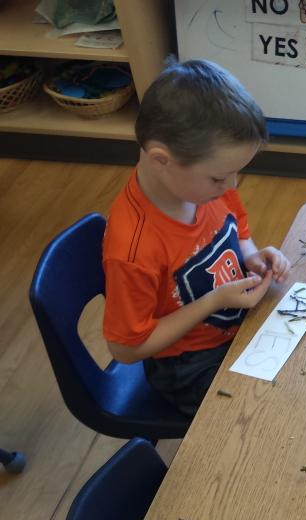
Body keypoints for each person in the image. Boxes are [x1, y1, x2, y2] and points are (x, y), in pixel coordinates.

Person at [102, 59, 290, 417]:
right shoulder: (134, 248)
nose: (230, 187)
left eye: (236, 174)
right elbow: (126, 349)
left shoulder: (204, 187)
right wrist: (211, 302)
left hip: (232, 324)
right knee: (263, 416)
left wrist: (250, 254)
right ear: (162, 159)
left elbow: (238, 229)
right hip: (188, 366)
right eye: (220, 178)